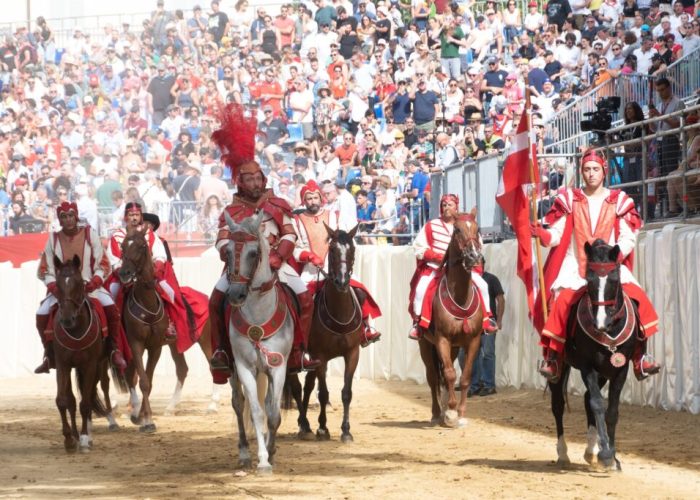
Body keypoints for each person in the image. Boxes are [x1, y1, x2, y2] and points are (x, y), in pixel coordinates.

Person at [208, 104, 321, 381]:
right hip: (240, 269)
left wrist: (278, 257)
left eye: (258, 177)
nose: (255, 182)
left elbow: (290, 234)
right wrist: (231, 256)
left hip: (276, 265)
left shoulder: (279, 204)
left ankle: (299, 351)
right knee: (215, 301)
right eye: (249, 178)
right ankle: (222, 351)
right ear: (240, 182)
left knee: (305, 298)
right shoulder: (231, 211)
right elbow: (221, 241)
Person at [532, 149, 661, 382]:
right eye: (587, 170)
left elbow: (628, 236)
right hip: (575, 265)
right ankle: (554, 359)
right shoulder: (568, 199)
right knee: (560, 303)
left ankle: (640, 357)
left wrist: (614, 256)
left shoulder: (620, 200)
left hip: (609, 265)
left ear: (604, 171)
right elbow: (557, 235)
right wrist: (543, 235)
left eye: (595, 169)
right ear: (581, 172)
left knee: (637, 299)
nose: (591, 174)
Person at [34, 201, 128, 375]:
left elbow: (103, 262)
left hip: (89, 286)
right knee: (41, 313)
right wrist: (54, 285)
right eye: (63, 217)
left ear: (76, 216)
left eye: (70, 216)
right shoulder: (53, 239)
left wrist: (95, 281)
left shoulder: (89, 234)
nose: (68, 220)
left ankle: (114, 349)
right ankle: (49, 354)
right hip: (62, 289)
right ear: (60, 220)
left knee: (112, 309)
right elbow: (44, 268)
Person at [291, 180, 381, 346]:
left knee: (359, 289)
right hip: (311, 269)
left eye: (315, 197)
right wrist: (309, 256)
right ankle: (299, 340)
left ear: (321, 198)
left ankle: (368, 328)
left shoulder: (334, 215)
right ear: (304, 200)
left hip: (336, 265)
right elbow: (296, 249)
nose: (312, 201)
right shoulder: (297, 220)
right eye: (309, 198)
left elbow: (344, 239)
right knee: (300, 299)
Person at [407, 194, 498, 340]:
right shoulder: (431, 225)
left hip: (462, 268)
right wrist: (437, 256)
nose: (446, 207)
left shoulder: (466, 224)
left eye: (450, 204)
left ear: (456, 207)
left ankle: (488, 319)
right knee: (421, 289)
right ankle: (418, 324)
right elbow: (419, 248)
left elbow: (476, 244)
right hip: (436, 267)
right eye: (444, 205)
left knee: (482, 285)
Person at [105, 202, 184, 344]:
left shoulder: (149, 233)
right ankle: (113, 329)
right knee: (112, 292)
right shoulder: (117, 235)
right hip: (124, 275)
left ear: (140, 216)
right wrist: (121, 272)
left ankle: (170, 324)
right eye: (131, 215)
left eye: (136, 215)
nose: (134, 218)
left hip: (148, 275)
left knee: (169, 291)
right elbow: (114, 258)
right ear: (126, 217)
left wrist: (156, 268)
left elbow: (160, 255)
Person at [466, 257, 505, 397]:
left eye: (478, 261)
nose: (475, 264)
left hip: (489, 320)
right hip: (472, 323)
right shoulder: (467, 279)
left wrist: (499, 320)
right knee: (472, 354)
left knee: (488, 353)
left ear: (483, 263)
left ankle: (489, 385)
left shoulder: (491, 279)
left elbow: (500, 299)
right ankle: (475, 384)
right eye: (473, 262)